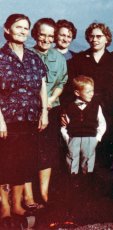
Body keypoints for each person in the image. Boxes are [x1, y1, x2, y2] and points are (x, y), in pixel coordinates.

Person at [0, 14, 48, 226]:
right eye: (18, 27)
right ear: (7, 29)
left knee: (22, 163)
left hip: (30, 118)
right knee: (4, 163)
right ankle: (5, 208)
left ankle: (18, 204)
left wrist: (44, 112)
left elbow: (42, 85)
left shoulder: (33, 57)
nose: (22, 31)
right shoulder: (0, 58)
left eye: (26, 28)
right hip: (7, 120)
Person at [24, 18, 68, 208]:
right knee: (26, 153)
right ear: (35, 34)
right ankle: (28, 197)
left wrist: (49, 101)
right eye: (43, 34)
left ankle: (44, 193)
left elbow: (62, 82)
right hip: (29, 111)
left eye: (51, 35)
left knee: (47, 152)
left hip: (51, 109)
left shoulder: (59, 57)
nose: (47, 39)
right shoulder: (25, 55)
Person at [68, 22, 113, 166]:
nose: (95, 39)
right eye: (91, 36)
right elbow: (70, 88)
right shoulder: (78, 59)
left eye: (99, 36)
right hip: (84, 114)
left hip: (109, 112)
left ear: (107, 39)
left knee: (105, 154)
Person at [61, 76, 106, 176]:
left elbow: (102, 124)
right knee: (72, 158)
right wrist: (67, 138)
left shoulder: (96, 106)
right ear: (77, 93)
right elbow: (64, 126)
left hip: (90, 138)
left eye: (92, 91)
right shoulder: (69, 107)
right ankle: (73, 179)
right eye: (88, 92)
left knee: (88, 159)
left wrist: (97, 138)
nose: (92, 94)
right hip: (73, 138)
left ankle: (87, 180)